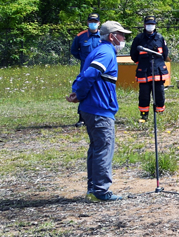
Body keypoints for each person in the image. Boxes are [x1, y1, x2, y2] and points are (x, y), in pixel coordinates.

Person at [67, 20, 132, 202]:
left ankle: (93, 189)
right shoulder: (106, 52)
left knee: (96, 149)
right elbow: (88, 75)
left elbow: (85, 75)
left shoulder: (100, 51)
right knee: (103, 148)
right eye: (121, 35)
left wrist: (78, 93)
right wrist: (79, 93)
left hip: (93, 108)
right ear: (112, 36)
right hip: (99, 109)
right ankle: (100, 191)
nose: (124, 38)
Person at [130, 15, 170, 123]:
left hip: (158, 70)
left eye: (152, 24)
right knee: (144, 94)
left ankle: (159, 113)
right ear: (144, 25)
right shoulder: (139, 39)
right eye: (148, 24)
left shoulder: (160, 38)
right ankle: (144, 115)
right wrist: (142, 63)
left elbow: (165, 54)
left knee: (159, 93)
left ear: (155, 25)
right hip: (144, 70)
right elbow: (133, 55)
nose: (150, 26)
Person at [69, 12, 103, 126]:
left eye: (95, 22)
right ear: (87, 23)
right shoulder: (81, 36)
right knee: (83, 90)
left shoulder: (103, 35)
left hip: (100, 69)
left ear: (99, 23)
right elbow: (74, 51)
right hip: (86, 69)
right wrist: (85, 59)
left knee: (99, 91)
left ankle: (100, 115)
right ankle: (82, 118)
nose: (93, 24)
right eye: (91, 22)